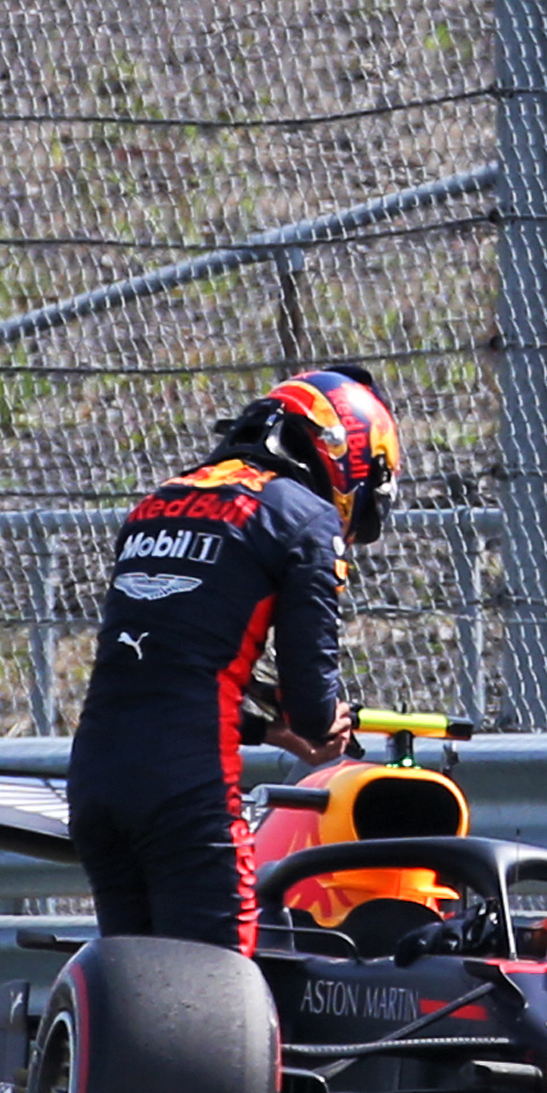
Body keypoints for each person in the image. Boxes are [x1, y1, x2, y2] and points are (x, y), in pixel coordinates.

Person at [64, 365, 401, 955]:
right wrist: (316, 727)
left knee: (134, 1000)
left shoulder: (158, 501)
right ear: (345, 449)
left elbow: (170, 668)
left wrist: (272, 725)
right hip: (187, 796)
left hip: (96, 781)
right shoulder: (303, 518)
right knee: (216, 1000)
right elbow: (315, 709)